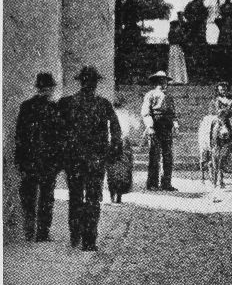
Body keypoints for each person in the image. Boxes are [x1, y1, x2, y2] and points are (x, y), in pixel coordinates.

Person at [59, 66, 122, 251]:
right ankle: (88, 241)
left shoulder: (68, 103)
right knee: (92, 199)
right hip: (95, 160)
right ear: (95, 83)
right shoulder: (102, 104)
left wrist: (62, 154)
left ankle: (76, 236)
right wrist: (112, 152)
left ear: (82, 82)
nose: (90, 85)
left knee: (76, 197)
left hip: (75, 160)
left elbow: (58, 131)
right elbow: (116, 130)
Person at [15, 72, 62, 242]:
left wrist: (19, 160)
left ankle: (33, 232)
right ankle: (40, 233)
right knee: (43, 197)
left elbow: (20, 136)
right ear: (47, 89)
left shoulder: (27, 106)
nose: (48, 91)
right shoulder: (52, 108)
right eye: (48, 88)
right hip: (43, 160)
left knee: (33, 197)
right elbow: (59, 137)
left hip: (34, 160)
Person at [141, 71, 179, 192]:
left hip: (166, 128)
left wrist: (175, 124)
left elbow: (173, 113)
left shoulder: (169, 96)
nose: (164, 83)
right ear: (156, 82)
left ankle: (166, 183)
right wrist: (150, 126)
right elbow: (146, 112)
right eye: (161, 81)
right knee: (154, 155)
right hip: (155, 127)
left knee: (168, 156)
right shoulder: (150, 95)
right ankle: (152, 183)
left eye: (165, 81)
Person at [106, 95, 139, 204]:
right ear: (124, 104)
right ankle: (119, 195)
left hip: (111, 143)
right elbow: (137, 126)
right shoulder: (127, 114)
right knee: (124, 168)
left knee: (112, 169)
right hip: (124, 142)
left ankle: (112, 194)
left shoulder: (108, 115)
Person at [167, 13, 189, 85]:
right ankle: (176, 79)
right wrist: (181, 39)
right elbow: (174, 40)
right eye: (178, 26)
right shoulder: (173, 33)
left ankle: (179, 79)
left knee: (178, 63)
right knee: (175, 63)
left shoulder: (177, 32)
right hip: (175, 48)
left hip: (177, 48)